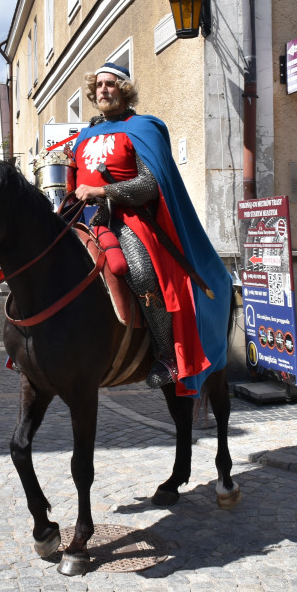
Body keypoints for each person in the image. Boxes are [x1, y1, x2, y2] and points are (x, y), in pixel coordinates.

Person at [72, 62, 231, 397]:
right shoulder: (83, 137)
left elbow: (150, 185)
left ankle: (167, 354)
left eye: (111, 84)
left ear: (124, 89)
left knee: (141, 272)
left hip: (129, 219)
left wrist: (104, 191)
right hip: (85, 219)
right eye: (98, 85)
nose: (103, 89)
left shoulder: (142, 128)